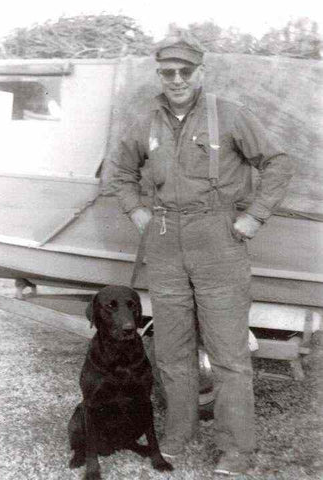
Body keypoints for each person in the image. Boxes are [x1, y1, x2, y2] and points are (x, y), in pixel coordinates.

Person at [113, 29, 292, 476]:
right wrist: (136, 211)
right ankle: (179, 431)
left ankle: (236, 447)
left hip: (217, 241)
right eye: (167, 72)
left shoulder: (228, 116)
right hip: (165, 239)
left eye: (184, 71)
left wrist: (254, 217)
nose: (175, 79)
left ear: (199, 74)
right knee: (171, 348)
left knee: (228, 352)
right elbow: (120, 171)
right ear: (159, 75)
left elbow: (278, 162)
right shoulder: (146, 121)